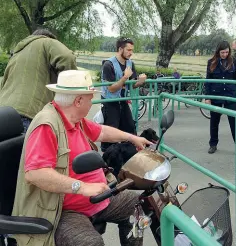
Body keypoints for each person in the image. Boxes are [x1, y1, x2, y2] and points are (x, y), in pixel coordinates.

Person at [11, 70, 152, 246]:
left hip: (99, 197)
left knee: (137, 204)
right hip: (64, 210)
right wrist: (82, 187)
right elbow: (35, 173)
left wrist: (132, 138)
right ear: (78, 101)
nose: (92, 102)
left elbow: (102, 131)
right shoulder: (47, 125)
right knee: (90, 243)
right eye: (90, 98)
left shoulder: (75, 119)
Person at [0, 28, 77, 133]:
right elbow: (67, 57)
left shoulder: (17, 53)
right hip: (28, 114)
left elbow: (3, 83)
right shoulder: (46, 41)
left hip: (4, 113)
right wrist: (71, 89)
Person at [101, 37, 147, 152]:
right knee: (111, 131)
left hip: (123, 100)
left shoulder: (130, 64)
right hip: (110, 102)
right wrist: (125, 77)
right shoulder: (108, 64)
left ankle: (131, 155)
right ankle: (108, 160)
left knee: (130, 127)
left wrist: (140, 82)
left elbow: (132, 85)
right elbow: (111, 89)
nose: (131, 53)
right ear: (120, 49)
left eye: (132, 50)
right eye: (129, 50)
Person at [205, 41, 236, 157]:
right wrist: (207, 97)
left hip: (230, 95)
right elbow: (207, 80)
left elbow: (235, 78)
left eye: (226, 52)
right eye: (222, 52)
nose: (224, 54)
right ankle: (213, 144)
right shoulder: (211, 62)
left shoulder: (233, 61)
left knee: (234, 122)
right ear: (218, 51)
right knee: (214, 121)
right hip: (216, 95)